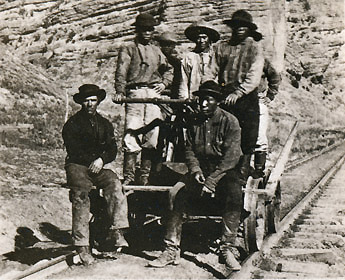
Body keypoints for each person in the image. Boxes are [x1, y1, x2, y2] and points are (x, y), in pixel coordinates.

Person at [148, 81, 243, 271]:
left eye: (208, 100)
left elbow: (231, 157)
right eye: (201, 100)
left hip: (224, 171)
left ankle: (227, 248)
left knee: (234, 194)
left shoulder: (230, 122)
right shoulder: (194, 123)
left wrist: (212, 180)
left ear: (217, 101)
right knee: (176, 194)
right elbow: (189, 151)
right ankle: (171, 248)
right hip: (200, 170)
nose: (203, 104)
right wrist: (196, 171)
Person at [62, 84, 129, 265]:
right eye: (86, 101)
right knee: (81, 196)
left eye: (93, 100)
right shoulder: (72, 124)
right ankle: (82, 246)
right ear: (81, 102)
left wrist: (101, 159)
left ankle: (117, 230)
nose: (90, 104)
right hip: (77, 166)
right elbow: (74, 150)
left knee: (114, 182)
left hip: (97, 167)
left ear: (98, 101)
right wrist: (93, 160)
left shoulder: (105, 124)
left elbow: (112, 149)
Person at [114, 13, 174, 186]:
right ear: (137, 30)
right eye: (144, 29)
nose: (147, 33)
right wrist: (120, 91)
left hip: (153, 95)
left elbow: (169, 69)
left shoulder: (156, 50)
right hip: (135, 93)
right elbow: (121, 71)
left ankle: (144, 178)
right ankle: (129, 177)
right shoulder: (128, 48)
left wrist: (164, 83)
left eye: (150, 30)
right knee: (132, 132)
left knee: (152, 135)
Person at [206, 9, 264, 184]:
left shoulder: (255, 48)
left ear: (248, 29)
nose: (240, 29)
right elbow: (210, 71)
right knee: (220, 132)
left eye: (244, 26)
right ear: (232, 27)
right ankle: (220, 171)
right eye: (237, 25)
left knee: (247, 135)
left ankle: (242, 174)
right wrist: (209, 89)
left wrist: (238, 92)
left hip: (246, 96)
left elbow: (254, 76)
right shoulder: (222, 47)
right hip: (224, 95)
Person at [179, 20, 220, 100]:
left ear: (209, 38)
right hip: (194, 97)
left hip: (212, 98)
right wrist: (184, 99)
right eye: (198, 38)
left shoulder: (216, 56)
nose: (201, 41)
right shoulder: (189, 57)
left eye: (204, 38)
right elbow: (184, 80)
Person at [254, 58, 281, 176]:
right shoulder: (237, 55)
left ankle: (258, 169)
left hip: (257, 100)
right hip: (239, 100)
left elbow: (275, 76)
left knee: (259, 136)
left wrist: (270, 95)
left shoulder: (262, 60)